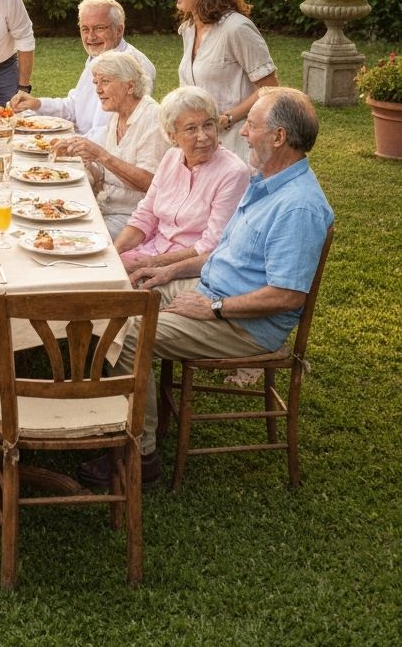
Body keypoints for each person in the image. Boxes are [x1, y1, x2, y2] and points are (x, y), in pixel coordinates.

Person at [77, 88, 334, 489]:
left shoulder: (297, 206)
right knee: (116, 298)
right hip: (209, 289)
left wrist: (214, 307)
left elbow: (287, 296)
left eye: (251, 126)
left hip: (243, 323)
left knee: (128, 335)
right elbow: (219, 253)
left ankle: (138, 455)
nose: (242, 132)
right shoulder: (267, 184)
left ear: (279, 137)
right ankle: (109, 411)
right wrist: (168, 270)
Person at [112, 86, 250, 272]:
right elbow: (145, 215)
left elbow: (213, 244)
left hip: (190, 267)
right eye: (191, 129)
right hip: (152, 250)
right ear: (172, 136)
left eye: (208, 125)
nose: (203, 136)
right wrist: (115, 252)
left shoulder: (233, 172)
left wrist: (154, 263)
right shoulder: (171, 157)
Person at [169, 0, 279, 161]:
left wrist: (228, 118)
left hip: (238, 147)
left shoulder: (236, 28)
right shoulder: (188, 30)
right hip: (201, 146)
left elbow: (271, 88)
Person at [10, 0, 155, 142]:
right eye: (85, 29)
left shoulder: (133, 67)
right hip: (83, 140)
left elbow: (108, 134)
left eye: (99, 28)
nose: (91, 37)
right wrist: (37, 104)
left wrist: (60, 142)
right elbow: (74, 105)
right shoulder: (99, 56)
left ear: (119, 30)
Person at [56, 51, 167, 238]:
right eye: (96, 83)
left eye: (105, 82)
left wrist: (101, 155)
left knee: (68, 238)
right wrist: (83, 159)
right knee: (50, 215)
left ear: (130, 86)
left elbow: (150, 182)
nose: (98, 90)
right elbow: (106, 175)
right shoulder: (117, 114)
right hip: (106, 208)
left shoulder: (152, 118)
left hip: (135, 218)